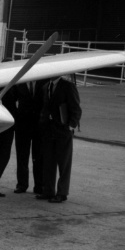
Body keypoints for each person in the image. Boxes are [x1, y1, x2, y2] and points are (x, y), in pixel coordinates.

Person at [38, 74, 81, 203]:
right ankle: (48, 190)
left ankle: (62, 192)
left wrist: (71, 125)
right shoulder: (46, 86)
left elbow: (76, 108)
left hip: (63, 130)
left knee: (64, 163)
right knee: (48, 162)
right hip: (49, 129)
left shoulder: (68, 86)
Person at [11, 79, 43, 194]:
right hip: (22, 124)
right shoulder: (19, 83)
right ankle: (22, 184)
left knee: (38, 157)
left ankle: (39, 185)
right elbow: (11, 100)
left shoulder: (43, 81)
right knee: (22, 157)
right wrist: (16, 116)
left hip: (38, 125)